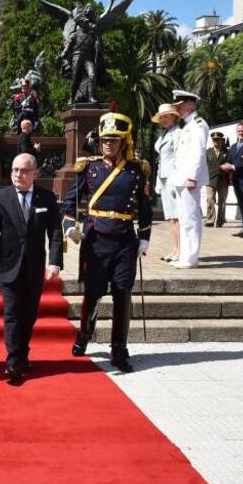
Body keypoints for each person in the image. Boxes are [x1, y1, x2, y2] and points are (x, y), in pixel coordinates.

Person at [62, 112, 153, 372]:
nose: (109, 144)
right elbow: (70, 202)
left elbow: (144, 208)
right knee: (93, 292)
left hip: (125, 239)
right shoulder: (88, 168)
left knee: (123, 293)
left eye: (114, 140)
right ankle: (85, 334)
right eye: (105, 140)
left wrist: (144, 237)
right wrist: (70, 226)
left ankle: (119, 349)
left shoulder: (137, 170)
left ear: (124, 141)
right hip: (96, 238)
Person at [0, 153, 62, 385]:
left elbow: (55, 232)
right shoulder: (1, 197)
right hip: (8, 267)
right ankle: (13, 361)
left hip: (35, 267)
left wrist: (55, 262)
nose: (18, 174)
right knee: (12, 313)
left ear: (35, 174)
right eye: (15, 170)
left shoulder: (46, 198)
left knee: (30, 314)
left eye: (24, 170)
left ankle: (22, 353)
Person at [169, 89, 208, 268]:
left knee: (191, 218)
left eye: (181, 105)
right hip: (182, 179)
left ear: (191, 105)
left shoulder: (199, 125)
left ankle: (191, 258)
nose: (178, 108)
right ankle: (185, 256)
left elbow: (198, 154)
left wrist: (192, 177)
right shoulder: (188, 126)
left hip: (189, 180)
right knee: (184, 218)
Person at [151, 103, 180, 261]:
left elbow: (178, 158)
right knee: (170, 216)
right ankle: (175, 249)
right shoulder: (164, 134)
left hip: (172, 177)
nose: (163, 120)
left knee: (176, 216)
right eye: (161, 117)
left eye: (166, 116)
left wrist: (176, 180)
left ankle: (180, 250)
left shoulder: (178, 133)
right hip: (163, 177)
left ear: (174, 117)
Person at [224, 122, 243, 237]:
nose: (241, 133)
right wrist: (226, 165)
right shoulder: (233, 146)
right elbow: (229, 160)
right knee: (241, 204)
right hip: (236, 180)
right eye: (239, 131)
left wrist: (233, 166)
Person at [204, 131, 229, 227]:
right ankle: (210, 220)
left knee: (222, 201)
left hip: (223, 179)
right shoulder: (208, 151)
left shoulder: (226, 152)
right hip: (210, 179)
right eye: (214, 140)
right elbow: (204, 165)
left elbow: (229, 163)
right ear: (212, 141)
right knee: (210, 199)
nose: (216, 142)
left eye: (218, 140)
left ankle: (220, 221)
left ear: (222, 140)